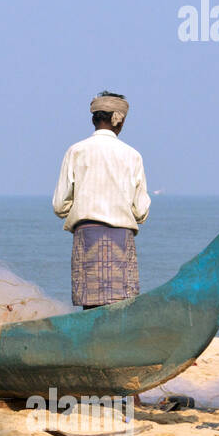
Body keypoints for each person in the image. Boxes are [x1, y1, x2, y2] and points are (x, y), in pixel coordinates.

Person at [51, 92, 150, 309]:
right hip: (121, 236)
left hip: (87, 234)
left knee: (90, 305)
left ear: (94, 118)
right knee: (121, 304)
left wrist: (81, 208)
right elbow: (141, 210)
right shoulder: (132, 155)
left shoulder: (75, 151)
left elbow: (59, 204)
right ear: (120, 120)